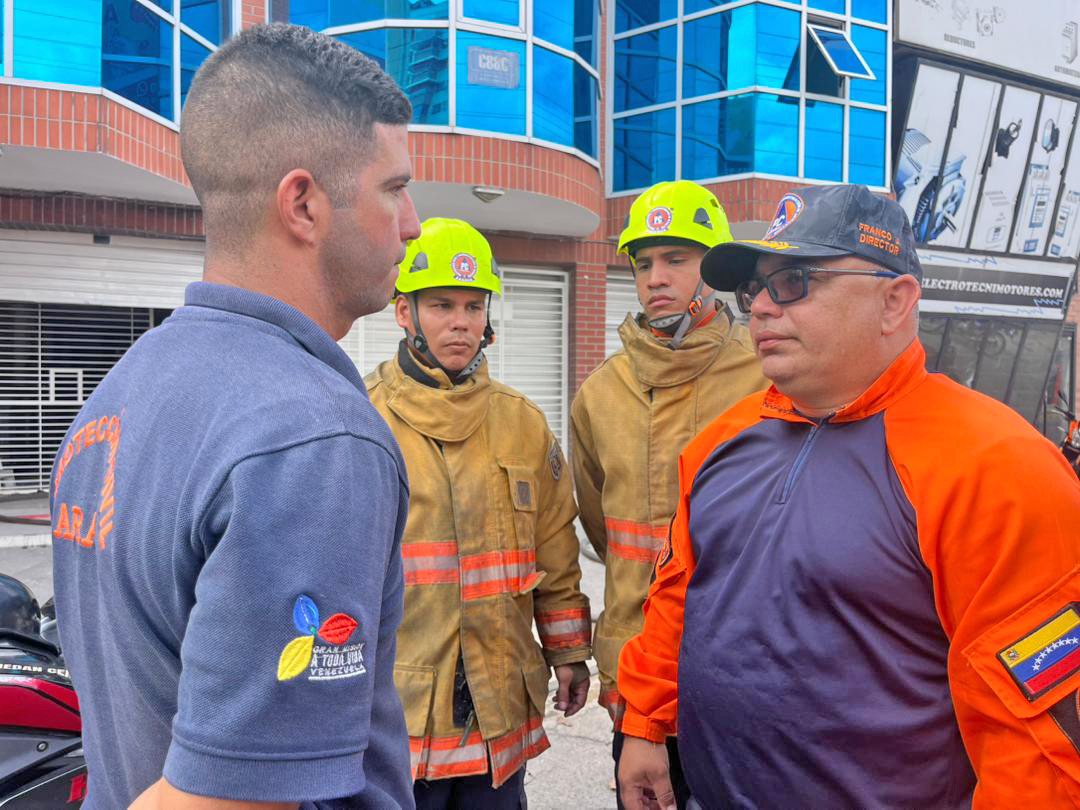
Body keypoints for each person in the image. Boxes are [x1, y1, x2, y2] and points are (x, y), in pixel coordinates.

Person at [50, 24, 421, 809]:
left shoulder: (123, 388)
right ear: (303, 204)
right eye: (394, 189)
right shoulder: (311, 438)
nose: (413, 222)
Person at [617, 184, 1080, 809]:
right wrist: (645, 724)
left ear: (895, 300)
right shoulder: (719, 443)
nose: (761, 308)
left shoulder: (996, 465)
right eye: (755, 288)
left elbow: (1039, 742)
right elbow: (677, 598)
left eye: (795, 282)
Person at [365, 218, 592, 809]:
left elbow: (556, 550)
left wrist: (568, 652)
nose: (461, 322)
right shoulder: (362, 421)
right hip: (401, 724)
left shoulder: (522, 424)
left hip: (498, 719)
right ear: (404, 312)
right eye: (441, 305)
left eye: (473, 305)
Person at [570, 180, 766, 807]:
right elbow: (600, 529)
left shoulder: (767, 376)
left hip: (744, 670)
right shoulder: (600, 394)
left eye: (676, 259)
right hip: (635, 670)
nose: (656, 277)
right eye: (644, 262)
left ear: (716, 268)